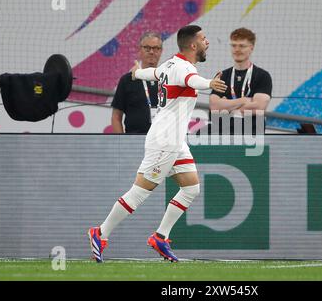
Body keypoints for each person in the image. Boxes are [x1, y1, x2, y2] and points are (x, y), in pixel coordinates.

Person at [88, 25, 227, 262]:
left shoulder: (170, 64)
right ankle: (100, 233)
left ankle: (160, 237)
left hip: (174, 141)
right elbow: (193, 81)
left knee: (191, 188)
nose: (208, 42)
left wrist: (136, 73)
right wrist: (210, 84)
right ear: (193, 45)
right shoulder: (184, 68)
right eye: (204, 39)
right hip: (165, 141)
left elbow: (150, 74)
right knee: (139, 193)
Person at [208, 28, 272, 134]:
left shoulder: (262, 76)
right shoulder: (222, 76)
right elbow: (214, 107)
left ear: (251, 48)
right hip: (222, 133)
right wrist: (243, 101)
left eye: (242, 46)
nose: (237, 49)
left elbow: (259, 107)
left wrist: (226, 106)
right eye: (233, 45)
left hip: (251, 134)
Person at [111, 32, 163, 133]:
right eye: (147, 48)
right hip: (133, 141)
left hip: (162, 142)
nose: (151, 52)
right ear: (140, 50)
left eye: (156, 48)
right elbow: (116, 117)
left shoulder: (168, 79)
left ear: (161, 51)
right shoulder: (127, 80)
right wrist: (122, 143)